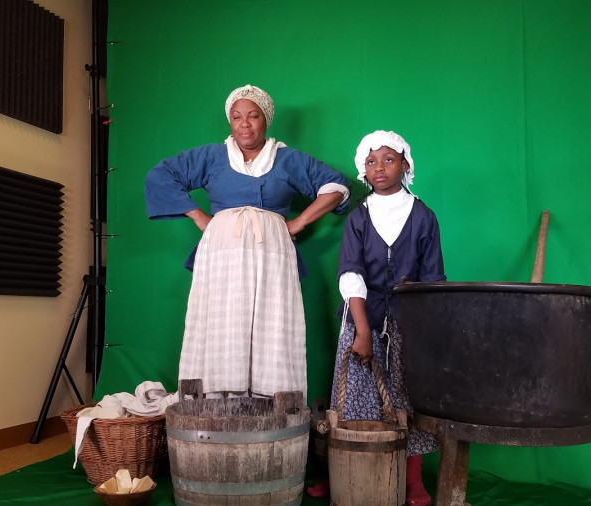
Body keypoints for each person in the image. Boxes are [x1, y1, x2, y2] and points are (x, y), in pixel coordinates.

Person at [144, 84, 350, 399]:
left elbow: (337, 186)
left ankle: (273, 403)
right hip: (222, 251)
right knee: (221, 323)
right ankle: (215, 401)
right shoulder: (212, 156)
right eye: (237, 116)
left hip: (271, 252)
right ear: (229, 121)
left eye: (253, 116)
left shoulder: (287, 159)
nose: (244, 123)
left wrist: (300, 221)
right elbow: (161, 175)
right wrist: (199, 217)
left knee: (273, 324)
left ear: (266, 120)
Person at [307, 130, 445, 505]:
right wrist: (363, 329)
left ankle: (412, 479)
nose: (379, 167)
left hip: (407, 321)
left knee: (405, 399)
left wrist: (427, 333)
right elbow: (350, 272)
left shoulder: (423, 217)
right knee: (354, 400)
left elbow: (432, 279)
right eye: (371, 161)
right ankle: (343, 476)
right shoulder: (359, 217)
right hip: (360, 317)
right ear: (362, 171)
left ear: (405, 164)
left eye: (388, 159)